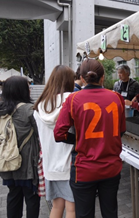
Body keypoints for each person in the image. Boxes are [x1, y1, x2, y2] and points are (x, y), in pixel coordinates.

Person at [54, 59, 126, 218]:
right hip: (111, 167)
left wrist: (80, 139)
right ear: (103, 77)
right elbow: (121, 131)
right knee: (110, 212)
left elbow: (59, 134)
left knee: (84, 214)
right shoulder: (116, 97)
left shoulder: (73, 99)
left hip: (84, 169)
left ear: (81, 77)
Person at [33, 65, 76, 218]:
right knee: (72, 209)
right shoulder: (71, 100)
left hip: (50, 165)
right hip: (69, 165)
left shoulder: (40, 105)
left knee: (57, 207)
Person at [0, 76, 41, 218]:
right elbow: (39, 133)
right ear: (22, 90)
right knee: (32, 197)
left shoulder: (2, 109)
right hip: (27, 162)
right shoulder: (30, 110)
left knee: (13, 195)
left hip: (8, 160)